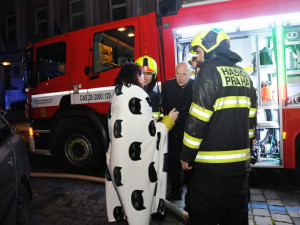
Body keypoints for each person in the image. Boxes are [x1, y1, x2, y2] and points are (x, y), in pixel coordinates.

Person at [181, 27, 257, 225]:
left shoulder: (208, 73)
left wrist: (186, 156)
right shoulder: (244, 75)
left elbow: (197, 120)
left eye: (198, 51)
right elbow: (251, 119)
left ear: (209, 47)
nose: (198, 57)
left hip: (211, 171)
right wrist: (248, 146)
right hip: (240, 171)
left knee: (202, 217)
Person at [105, 62, 178, 225]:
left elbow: (131, 127)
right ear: (134, 76)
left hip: (118, 159)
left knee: (125, 204)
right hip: (133, 166)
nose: (143, 77)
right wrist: (168, 122)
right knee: (137, 209)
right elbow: (148, 133)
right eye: (140, 74)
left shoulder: (118, 93)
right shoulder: (137, 94)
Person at [161, 61, 193, 201]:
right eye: (178, 74)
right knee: (174, 164)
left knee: (190, 164)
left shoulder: (196, 86)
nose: (180, 78)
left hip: (190, 132)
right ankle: (176, 193)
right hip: (173, 131)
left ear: (190, 74)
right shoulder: (168, 86)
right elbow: (164, 106)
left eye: (184, 75)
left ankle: (191, 194)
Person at [135, 55, 162, 120]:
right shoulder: (132, 93)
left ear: (154, 75)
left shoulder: (155, 91)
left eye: (149, 73)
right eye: (143, 73)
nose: (145, 77)